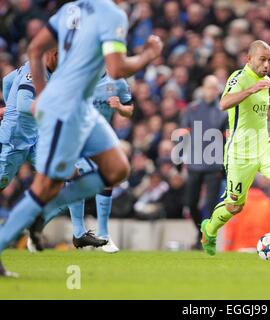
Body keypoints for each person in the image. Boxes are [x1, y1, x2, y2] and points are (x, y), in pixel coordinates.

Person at [0, 0, 163, 277]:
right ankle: (34, 216)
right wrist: (149, 54)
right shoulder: (112, 14)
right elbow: (118, 66)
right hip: (68, 106)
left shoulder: (70, 10)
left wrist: (42, 95)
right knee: (50, 184)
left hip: (79, 106)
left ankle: (43, 212)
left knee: (116, 169)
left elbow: (35, 48)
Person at [200, 40, 270, 256]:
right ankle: (210, 229)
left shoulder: (266, 80)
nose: (267, 65)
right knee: (235, 206)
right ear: (249, 59)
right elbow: (223, 104)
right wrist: (251, 89)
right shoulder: (239, 78)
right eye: (262, 59)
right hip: (240, 152)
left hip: (264, 146)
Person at [68, 72, 134, 253]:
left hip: (100, 139)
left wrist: (119, 106)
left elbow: (129, 110)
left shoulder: (117, 82)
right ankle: (78, 231)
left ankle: (103, 236)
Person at [0, 49, 57, 193]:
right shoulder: (37, 71)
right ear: (54, 54)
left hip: (33, 134)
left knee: (55, 174)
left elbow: (7, 81)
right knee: (2, 180)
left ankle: (35, 213)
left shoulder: (30, 65)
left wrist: (9, 107)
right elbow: (24, 105)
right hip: (16, 136)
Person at [180, 75, 227, 248]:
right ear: (203, 88)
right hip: (194, 163)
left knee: (211, 205)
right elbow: (183, 134)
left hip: (214, 164)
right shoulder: (192, 109)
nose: (212, 91)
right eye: (209, 87)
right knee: (191, 203)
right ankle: (202, 232)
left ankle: (207, 236)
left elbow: (227, 138)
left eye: (215, 88)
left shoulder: (223, 111)